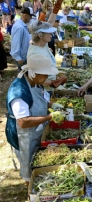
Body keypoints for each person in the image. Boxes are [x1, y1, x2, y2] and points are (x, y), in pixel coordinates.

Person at [5, 54, 63, 186]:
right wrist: (50, 117)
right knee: (28, 166)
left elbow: (39, 100)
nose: (47, 78)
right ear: (33, 73)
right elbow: (23, 122)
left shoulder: (34, 82)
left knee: (37, 160)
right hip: (23, 135)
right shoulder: (19, 92)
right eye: (45, 75)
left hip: (36, 130)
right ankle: (29, 189)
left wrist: (52, 106)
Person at [27, 20, 67, 91]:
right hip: (44, 91)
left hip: (49, 89)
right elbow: (39, 80)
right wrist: (55, 82)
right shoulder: (35, 54)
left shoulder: (43, 45)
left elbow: (50, 22)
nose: (51, 34)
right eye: (48, 33)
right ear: (40, 35)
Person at [10, 7, 34, 72]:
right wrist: (18, 57)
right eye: (30, 16)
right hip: (21, 59)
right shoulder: (19, 27)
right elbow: (16, 43)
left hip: (24, 57)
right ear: (25, 16)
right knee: (22, 78)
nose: (31, 18)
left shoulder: (24, 25)